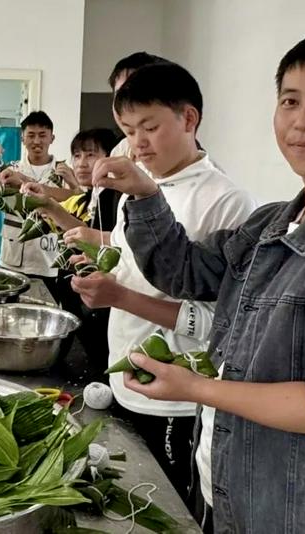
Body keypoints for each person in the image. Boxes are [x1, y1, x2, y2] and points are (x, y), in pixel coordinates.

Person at [85, 25, 305, 534]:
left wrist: (198, 388)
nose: (303, 120)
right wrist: (147, 196)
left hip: (298, 507)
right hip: (227, 476)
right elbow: (183, 272)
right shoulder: (269, 225)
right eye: (289, 101)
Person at [71, 62, 257, 500]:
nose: (137, 142)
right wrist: (100, 268)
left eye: (149, 127)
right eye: (129, 129)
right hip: (125, 374)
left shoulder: (227, 201)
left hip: (177, 398)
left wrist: (120, 295)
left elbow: (216, 324)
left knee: (166, 506)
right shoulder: (142, 183)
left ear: (188, 118)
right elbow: (129, 267)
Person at [21, 128, 121, 378]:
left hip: (100, 304)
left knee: (100, 364)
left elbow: (96, 240)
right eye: (77, 156)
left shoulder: (114, 197)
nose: (82, 163)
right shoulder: (90, 196)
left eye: (91, 155)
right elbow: (74, 224)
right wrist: (46, 204)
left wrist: (49, 206)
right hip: (80, 298)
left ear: (110, 157)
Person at [0, 111, 73, 299]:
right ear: (22, 138)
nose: (36, 141)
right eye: (31, 135)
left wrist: (23, 181)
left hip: (49, 257)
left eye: (42, 135)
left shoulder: (63, 171)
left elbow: (72, 202)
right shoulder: (10, 168)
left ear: (52, 138)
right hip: (13, 255)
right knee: (10, 312)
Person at [107, 52, 170, 160]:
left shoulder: (181, 157)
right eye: (119, 95)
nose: (126, 105)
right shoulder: (121, 150)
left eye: (137, 94)